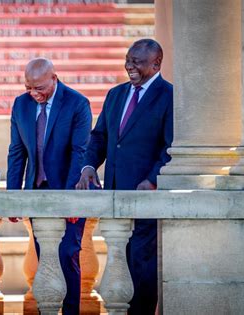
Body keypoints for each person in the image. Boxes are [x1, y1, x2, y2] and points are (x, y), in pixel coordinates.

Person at [76, 39, 173, 314]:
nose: (129, 66)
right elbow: (99, 138)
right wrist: (88, 167)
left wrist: (153, 179)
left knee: (142, 263)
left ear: (156, 64)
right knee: (122, 259)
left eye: (137, 62)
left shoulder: (169, 96)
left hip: (146, 197)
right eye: (128, 60)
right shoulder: (116, 94)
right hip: (115, 195)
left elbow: (171, 146)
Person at [7, 58, 92, 314]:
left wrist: (70, 200)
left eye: (40, 88)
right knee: (45, 256)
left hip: (70, 189)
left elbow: (80, 152)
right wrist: (13, 198)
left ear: (54, 77)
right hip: (36, 191)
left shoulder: (77, 103)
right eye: (28, 88)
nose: (34, 94)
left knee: (67, 254)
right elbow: (16, 152)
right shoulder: (21, 105)